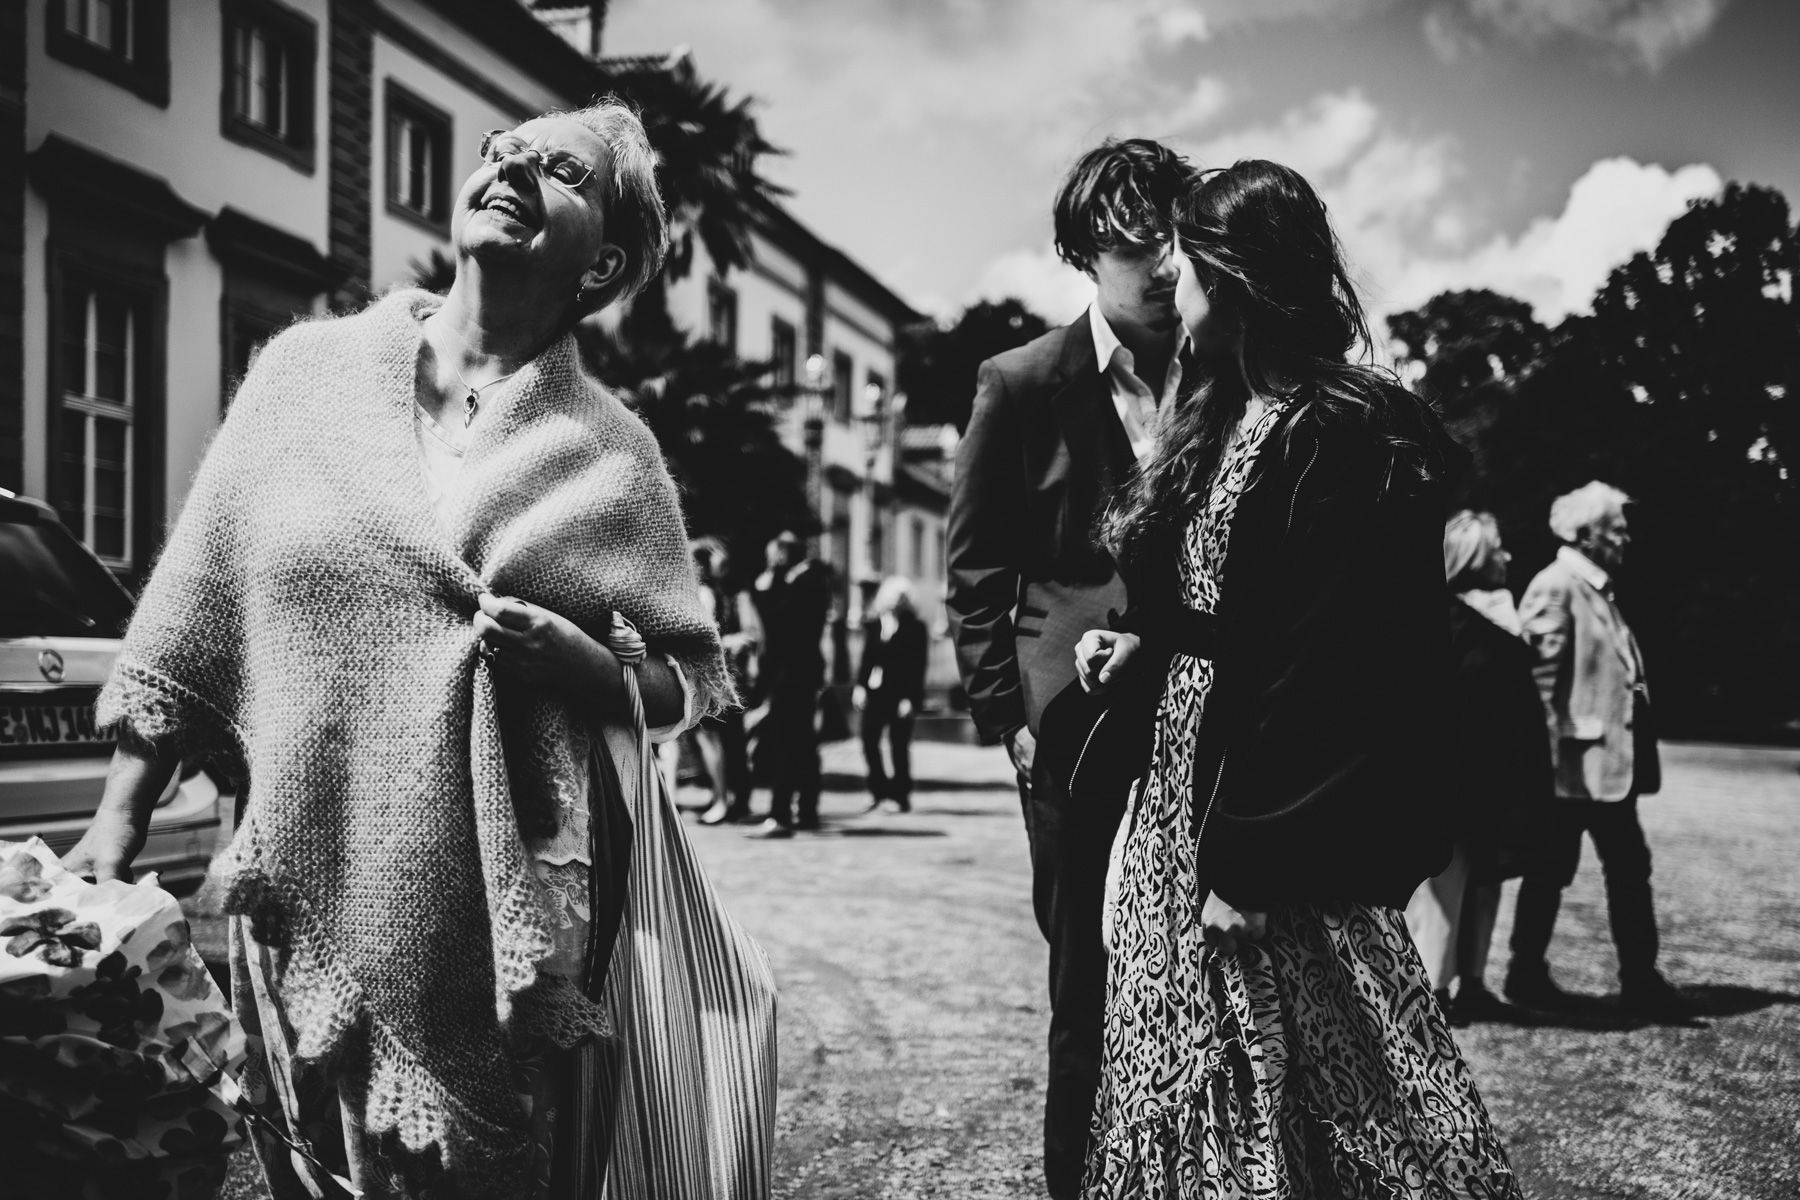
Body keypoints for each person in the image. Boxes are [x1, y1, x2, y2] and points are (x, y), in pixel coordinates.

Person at [60, 101, 776, 1198]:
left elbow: (691, 680)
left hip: (515, 913)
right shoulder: (307, 375)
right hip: (306, 861)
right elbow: (192, 613)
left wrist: (589, 667)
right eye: (504, 152)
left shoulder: (610, 453)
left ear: (607, 264)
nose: (514, 170)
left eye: (560, 172)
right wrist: (117, 823)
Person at [1076, 159, 1520, 1197]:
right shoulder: (1221, 417)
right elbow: (1222, 618)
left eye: (1183, 267)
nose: (1169, 290)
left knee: (1343, 1083)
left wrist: (1249, 864)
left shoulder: (1346, 433)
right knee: (1199, 1074)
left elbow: (1335, 666)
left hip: (1269, 825)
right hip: (1181, 812)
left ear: (1232, 279)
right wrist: (1149, 652)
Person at [946, 137, 1195, 1198]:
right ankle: (1074, 1182)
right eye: (1137, 244)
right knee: (1082, 971)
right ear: (1087, 252)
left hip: (1196, 698)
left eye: (1174, 239)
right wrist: (1009, 717)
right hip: (1065, 723)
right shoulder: (1022, 382)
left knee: (1197, 960)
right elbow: (973, 567)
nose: (1165, 266)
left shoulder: (1224, 366)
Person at [1504, 482, 1690, 1018]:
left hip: (1604, 768)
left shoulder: (1597, 588)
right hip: (1570, 768)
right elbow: (1537, 684)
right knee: (1553, 870)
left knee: (1626, 868)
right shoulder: (1557, 586)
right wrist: (1538, 765)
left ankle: (1636, 977)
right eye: (1616, 528)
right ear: (1585, 535)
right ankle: (1528, 972)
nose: (1627, 537)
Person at [1405, 511, 1554, 1023]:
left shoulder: (1490, 618)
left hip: (1488, 773)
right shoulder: (1446, 621)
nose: (1508, 557)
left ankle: (1470, 982)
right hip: (1455, 776)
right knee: (1444, 888)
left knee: (1483, 882)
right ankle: (1431, 992)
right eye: (1497, 550)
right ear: (1472, 556)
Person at [747, 530, 832, 837]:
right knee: (804, 744)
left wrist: (762, 591)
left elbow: (777, 622)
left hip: (791, 674)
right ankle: (807, 810)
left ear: (781, 556)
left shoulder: (803, 584)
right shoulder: (811, 581)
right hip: (802, 673)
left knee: (786, 743)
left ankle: (781, 813)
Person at [691, 537, 764, 826]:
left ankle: (723, 800)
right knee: (722, 740)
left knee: (713, 739)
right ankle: (726, 798)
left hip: (714, 676)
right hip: (723, 676)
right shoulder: (722, 593)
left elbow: (704, 637)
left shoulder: (708, 594)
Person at [854, 576, 929, 813]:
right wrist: (859, 686)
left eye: (901, 598)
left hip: (901, 694)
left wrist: (910, 698)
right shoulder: (876, 624)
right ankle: (878, 790)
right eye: (893, 597)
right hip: (876, 691)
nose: (897, 602)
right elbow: (867, 658)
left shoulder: (916, 627)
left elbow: (917, 666)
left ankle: (900, 795)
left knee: (899, 744)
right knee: (868, 740)